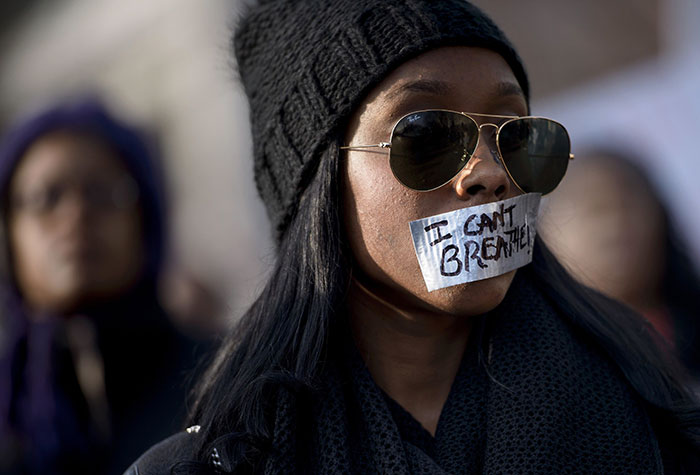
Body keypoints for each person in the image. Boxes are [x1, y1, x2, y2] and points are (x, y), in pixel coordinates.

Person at [128, 1, 700, 473]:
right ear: (317, 186)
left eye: (518, 135)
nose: (489, 172)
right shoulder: (216, 465)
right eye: (425, 135)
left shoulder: (656, 409)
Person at [0, 98, 203, 474]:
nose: (76, 214)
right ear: (10, 235)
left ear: (146, 220)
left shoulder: (224, 379)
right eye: (47, 197)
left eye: (102, 192)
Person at [541, 150, 700, 381]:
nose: (614, 225)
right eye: (594, 209)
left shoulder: (691, 330)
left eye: (628, 204)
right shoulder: (538, 358)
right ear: (546, 235)